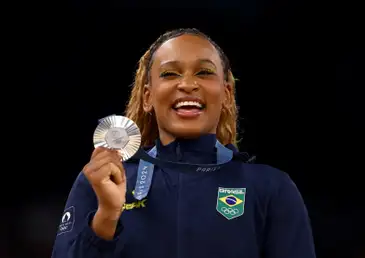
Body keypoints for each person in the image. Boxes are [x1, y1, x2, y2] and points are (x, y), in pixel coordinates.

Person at [51, 28, 316, 258]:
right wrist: (107, 216)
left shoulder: (270, 188)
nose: (188, 84)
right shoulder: (102, 181)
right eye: (169, 74)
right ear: (147, 97)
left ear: (226, 94)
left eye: (204, 72)